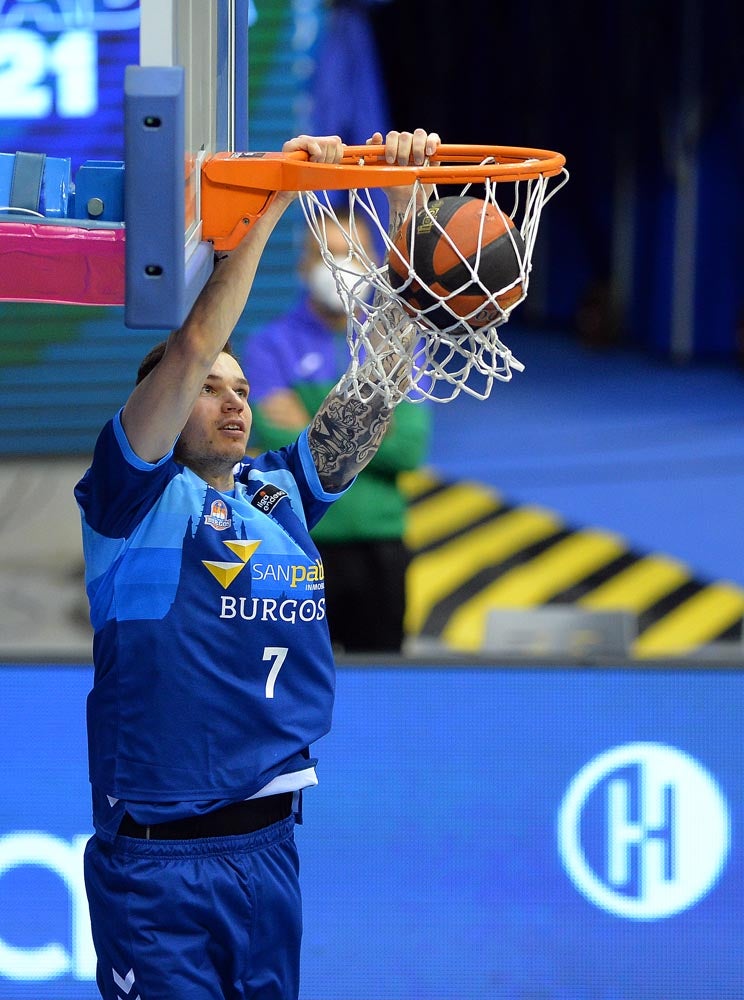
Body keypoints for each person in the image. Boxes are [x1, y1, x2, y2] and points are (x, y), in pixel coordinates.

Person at [74, 127, 440, 1000]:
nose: (233, 400)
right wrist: (274, 195)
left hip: (271, 851)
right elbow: (195, 341)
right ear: (156, 402)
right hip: (161, 868)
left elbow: (376, 387)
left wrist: (409, 217)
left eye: (243, 390)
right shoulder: (131, 499)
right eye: (211, 389)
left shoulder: (278, 495)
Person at [244, 207, 431, 653]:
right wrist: (372, 420)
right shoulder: (269, 345)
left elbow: (408, 447)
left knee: (380, 691)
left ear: (373, 263)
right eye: (327, 255)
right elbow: (275, 444)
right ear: (302, 265)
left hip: (379, 546)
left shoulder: (398, 344)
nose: (340, 267)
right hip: (295, 544)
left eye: (352, 254)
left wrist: (310, 422)